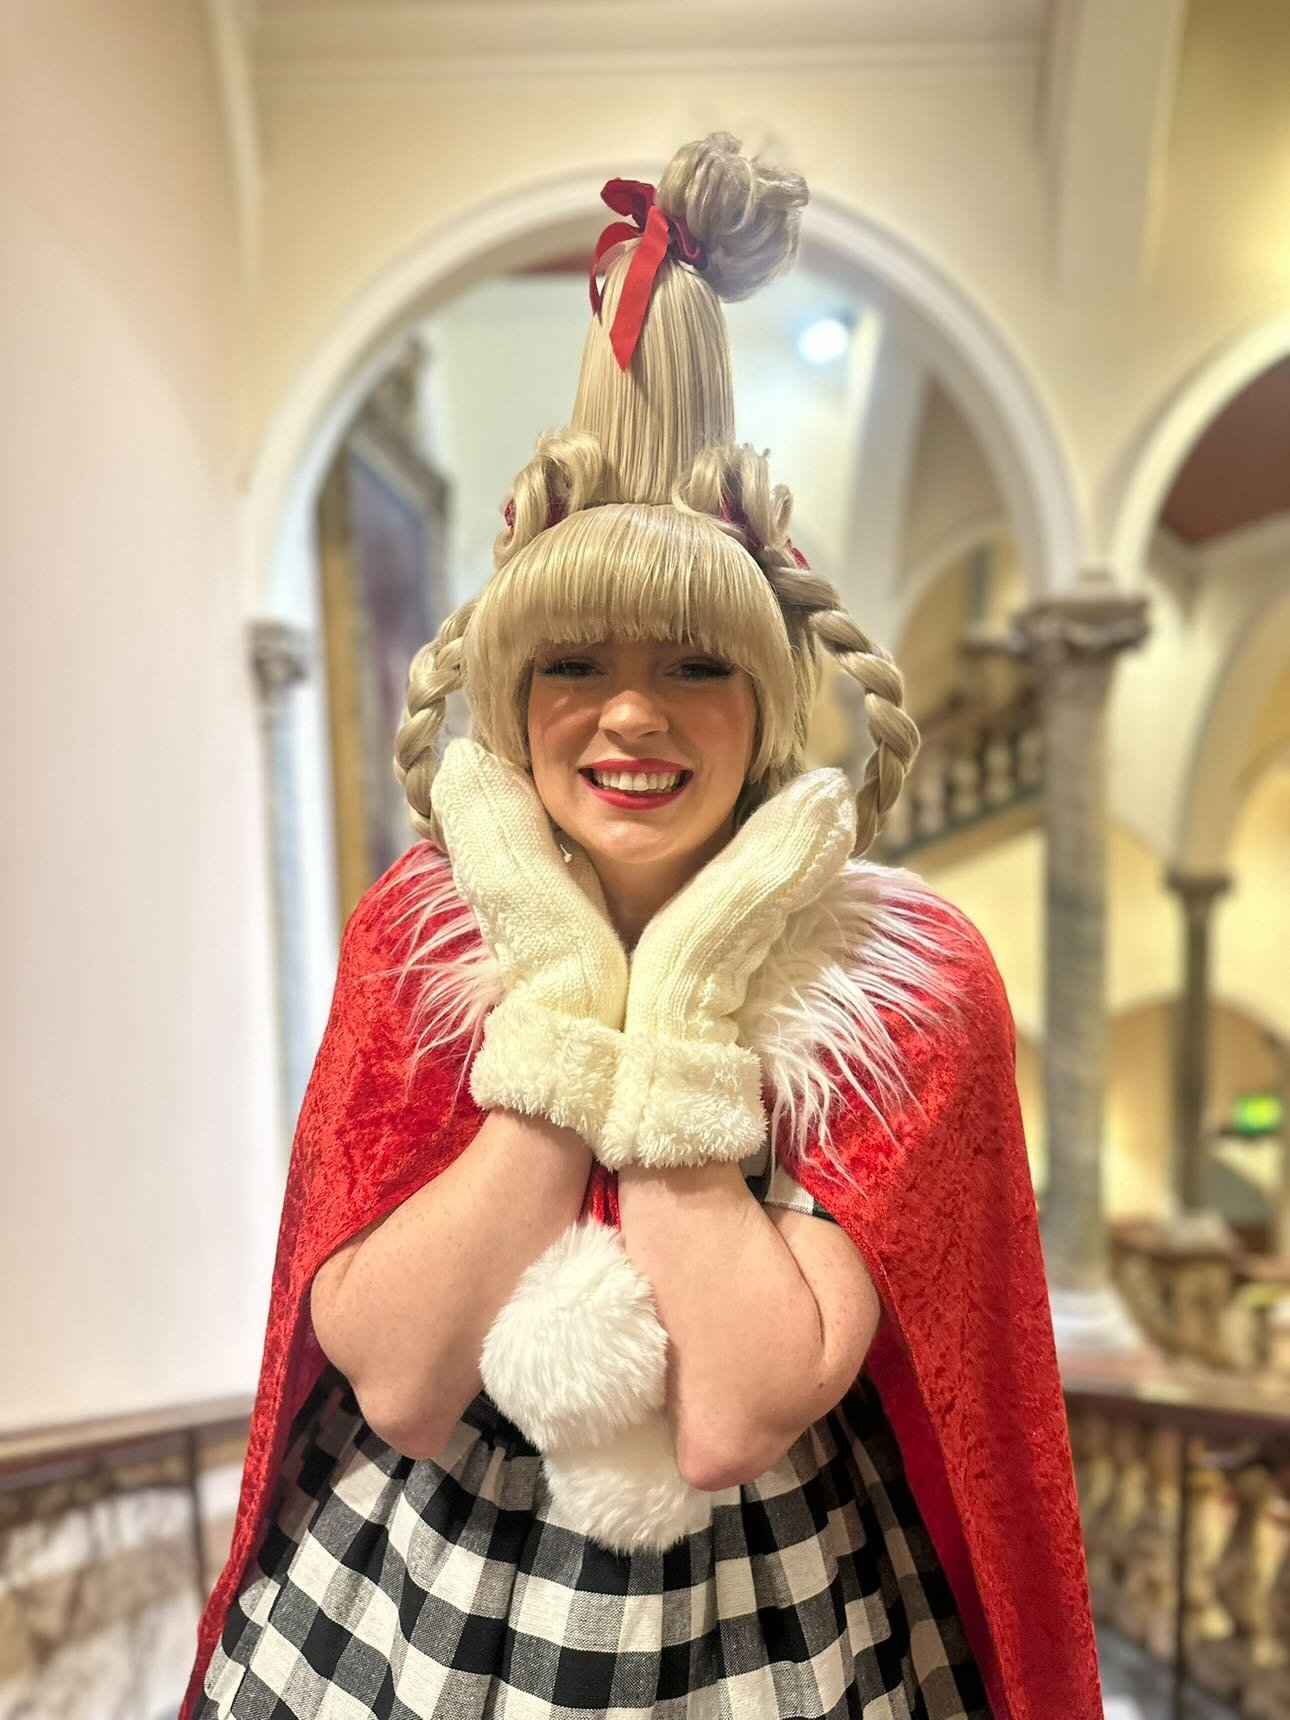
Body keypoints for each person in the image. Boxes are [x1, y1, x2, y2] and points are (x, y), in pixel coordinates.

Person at [183, 134, 1101, 1720]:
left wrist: (676, 999)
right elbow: (399, 1383)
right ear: (507, 697)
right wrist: (556, 985)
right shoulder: (424, 933)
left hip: (783, 1634)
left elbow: (735, 1411)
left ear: (770, 701)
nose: (628, 717)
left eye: (692, 665)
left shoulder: (901, 984)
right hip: (410, 1620)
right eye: (570, 667)